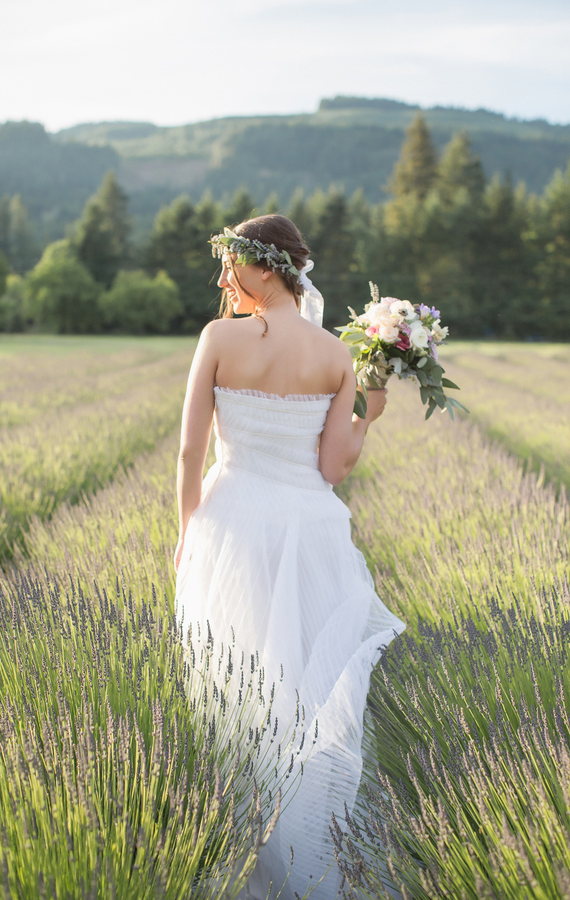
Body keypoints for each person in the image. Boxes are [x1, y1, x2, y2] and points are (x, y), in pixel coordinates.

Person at [174, 214, 406, 899]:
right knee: (305, 690)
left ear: (264, 268)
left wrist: (186, 535)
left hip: (234, 525)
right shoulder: (337, 355)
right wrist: (370, 415)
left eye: (229, 265)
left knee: (235, 688)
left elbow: (191, 451)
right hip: (311, 532)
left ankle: (248, 847)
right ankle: (310, 855)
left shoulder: (219, 337)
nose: (222, 281)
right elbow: (334, 466)